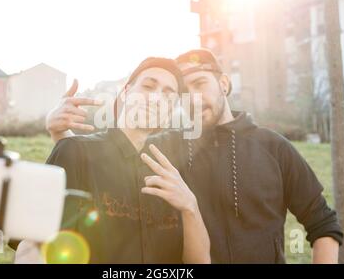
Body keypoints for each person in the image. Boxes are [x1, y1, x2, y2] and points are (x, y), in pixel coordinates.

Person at [46, 49, 343, 263]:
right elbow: (100, 158)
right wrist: (58, 131)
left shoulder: (273, 147)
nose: (194, 98)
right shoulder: (164, 147)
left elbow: (322, 223)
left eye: (200, 84)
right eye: (184, 92)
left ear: (223, 84)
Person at [15, 57, 210, 264]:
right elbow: (31, 249)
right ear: (125, 92)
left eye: (168, 95)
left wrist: (190, 206)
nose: (156, 98)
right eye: (148, 86)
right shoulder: (75, 151)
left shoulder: (172, 174)